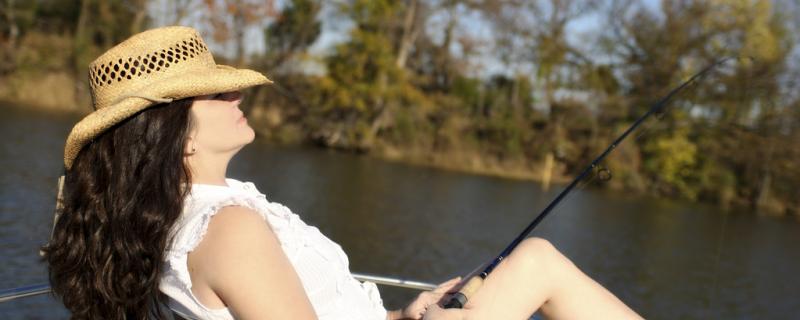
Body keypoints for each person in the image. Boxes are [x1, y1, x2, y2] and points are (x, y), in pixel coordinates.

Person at [42, 26, 641, 320]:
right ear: (176, 130)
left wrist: (403, 314)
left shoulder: (206, 212)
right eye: (214, 92)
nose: (234, 94)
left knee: (529, 263)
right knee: (536, 261)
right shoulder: (226, 229)